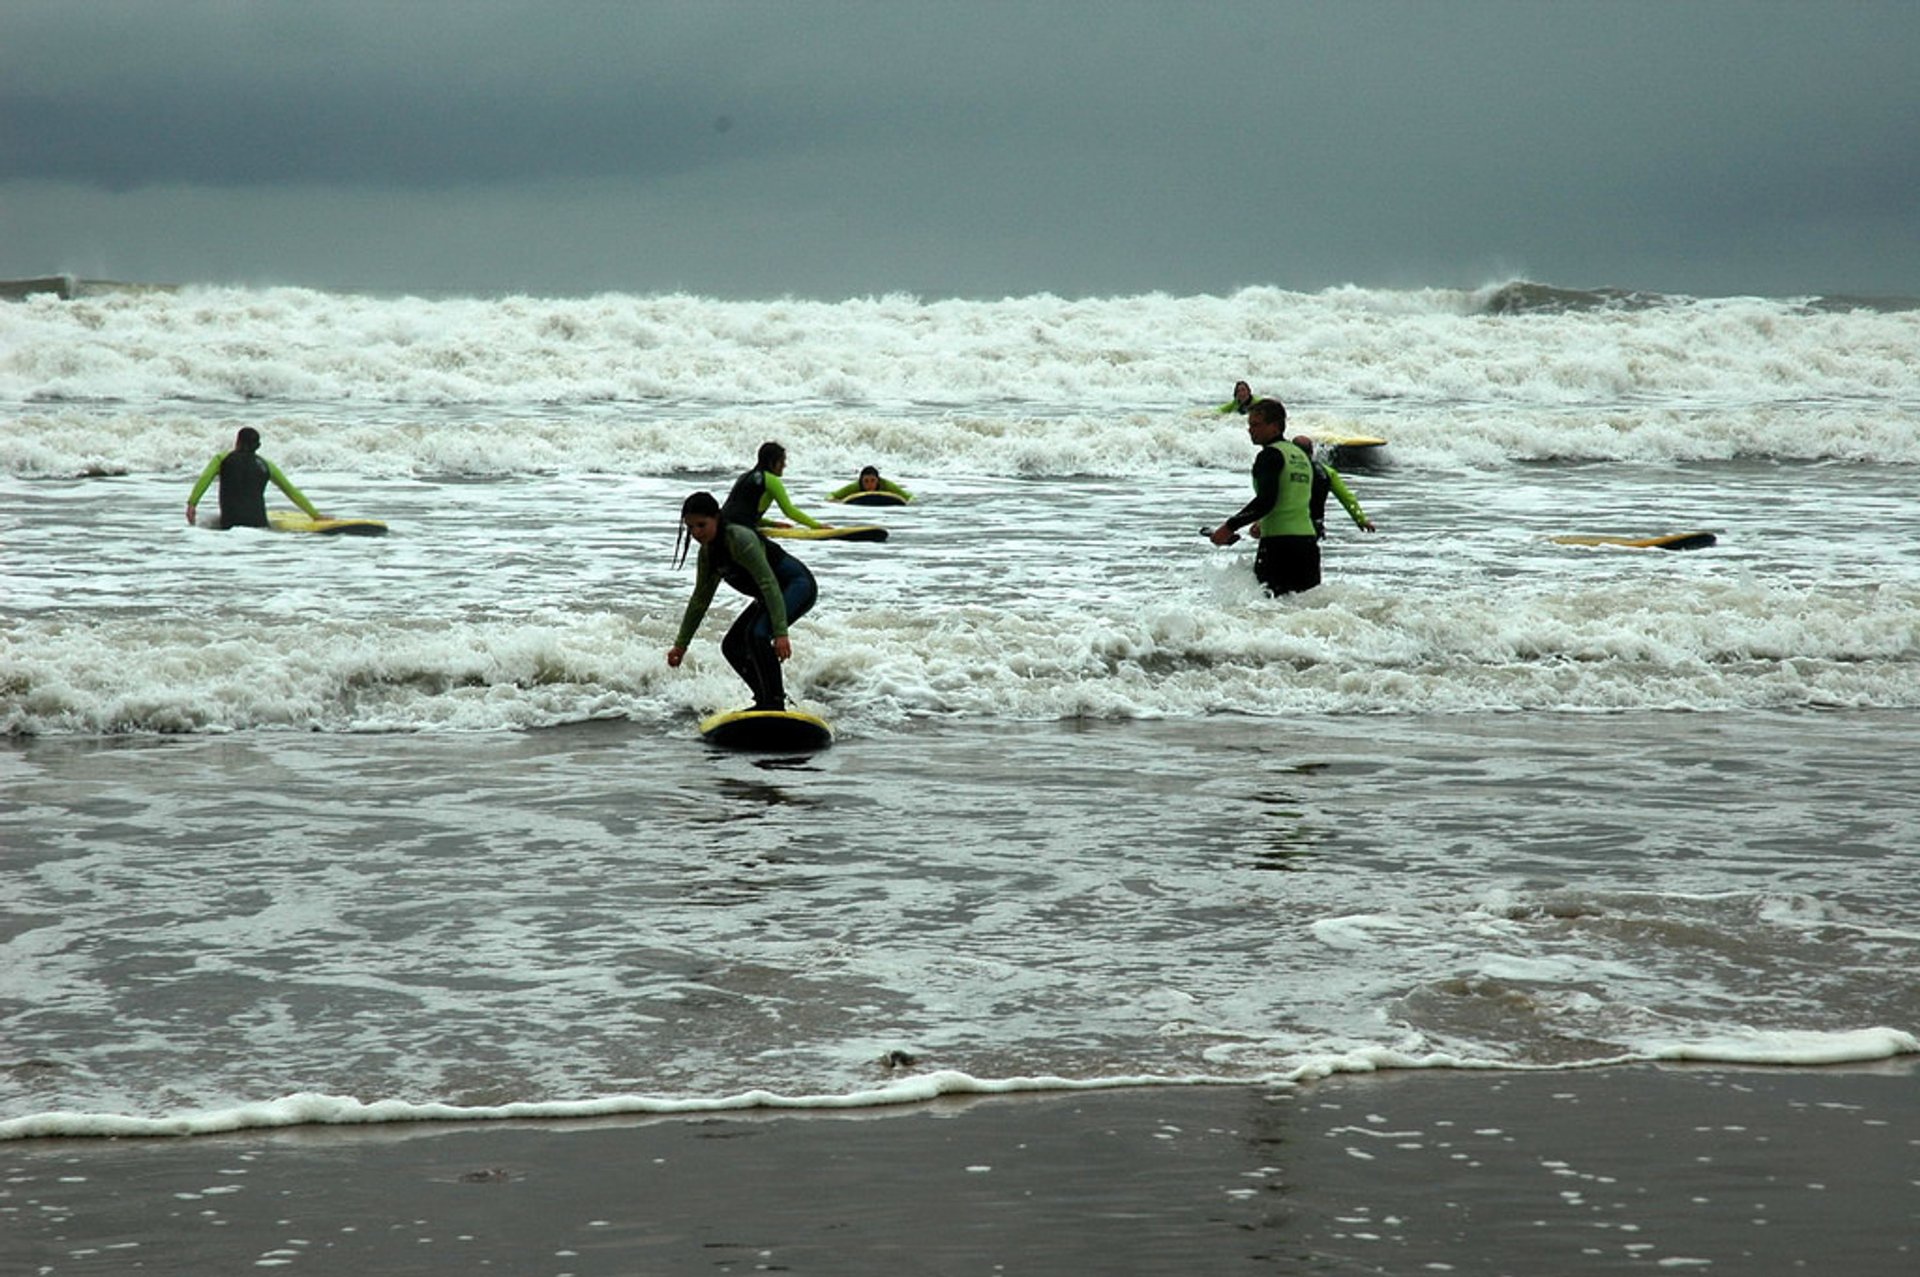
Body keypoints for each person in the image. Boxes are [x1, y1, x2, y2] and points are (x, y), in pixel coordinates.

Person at [667, 491, 818, 712]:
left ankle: (774, 704)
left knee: (757, 634)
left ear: (716, 518)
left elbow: (768, 583)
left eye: (701, 524)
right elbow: (700, 600)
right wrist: (681, 645)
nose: (696, 533)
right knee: (732, 646)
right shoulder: (708, 554)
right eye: (690, 528)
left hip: (797, 586)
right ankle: (765, 698)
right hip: (770, 596)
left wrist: (780, 633)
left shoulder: (739, 539)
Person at [1207, 398, 1320, 595]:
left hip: (1279, 547)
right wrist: (1261, 521)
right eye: (1249, 425)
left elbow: (1266, 500)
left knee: (1270, 611)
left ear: (1275, 426)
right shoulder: (1301, 456)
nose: (1250, 430)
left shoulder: (1269, 455)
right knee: (1306, 611)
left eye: (1256, 425)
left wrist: (1229, 527)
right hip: (1308, 545)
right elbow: (1297, 497)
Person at [185, 427, 324, 529]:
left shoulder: (222, 459)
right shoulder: (266, 465)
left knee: (205, 524)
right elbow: (291, 491)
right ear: (258, 446)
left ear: (237, 442)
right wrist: (315, 515)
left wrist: (192, 503)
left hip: (230, 525)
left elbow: (205, 479)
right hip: (259, 525)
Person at [720, 441, 826, 530]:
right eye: (782, 461)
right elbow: (789, 511)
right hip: (740, 530)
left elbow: (739, 513)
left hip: (721, 526)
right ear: (771, 462)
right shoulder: (770, 480)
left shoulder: (743, 477)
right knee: (778, 554)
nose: (784, 465)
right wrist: (817, 526)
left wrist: (772, 524)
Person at [1293, 435, 1377, 539]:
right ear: (1312, 452)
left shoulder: (1287, 470)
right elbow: (1347, 498)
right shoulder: (1327, 472)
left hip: (1289, 526)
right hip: (1315, 527)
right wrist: (1361, 519)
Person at [827, 465, 914, 502]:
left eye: (873, 481)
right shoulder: (856, 486)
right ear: (861, 481)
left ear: (878, 480)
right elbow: (831, 495)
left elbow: (909, 496)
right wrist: (832, 500)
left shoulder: (886, 485)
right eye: (866, 481)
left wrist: (910, 501)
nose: (869, 485)